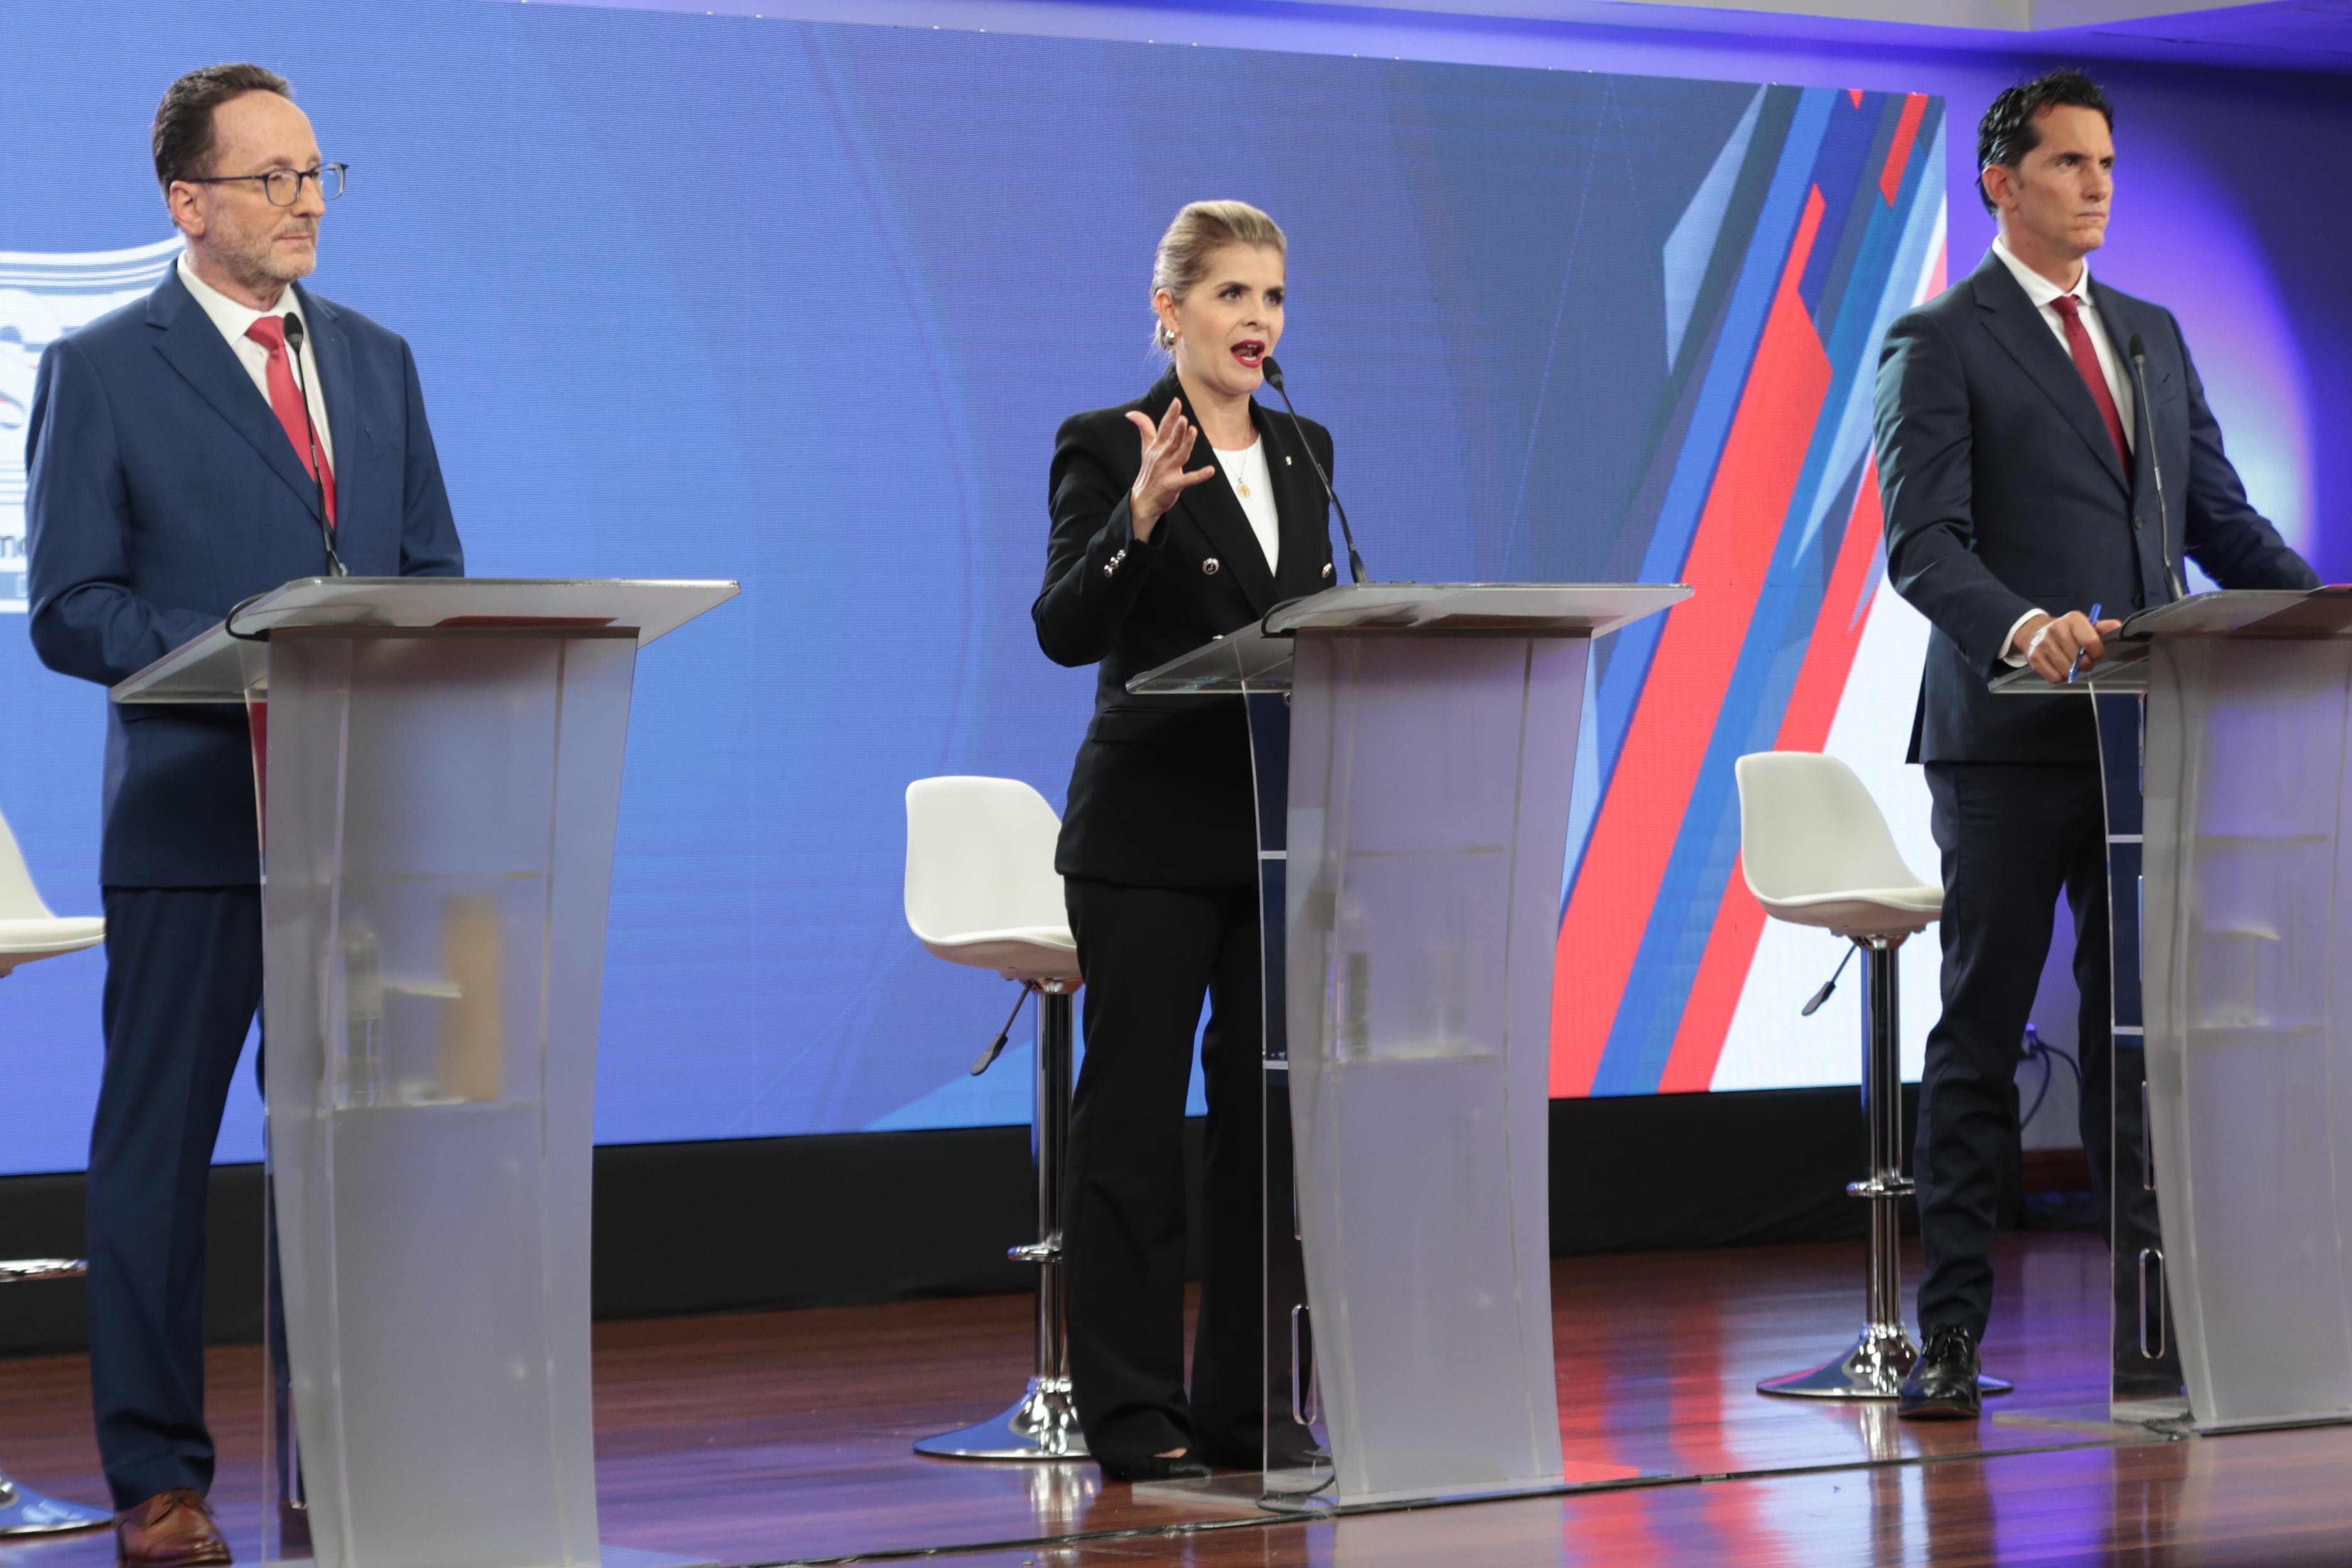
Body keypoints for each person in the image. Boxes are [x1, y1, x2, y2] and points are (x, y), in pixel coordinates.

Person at [24, 63, 462, 1563]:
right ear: (188, 201)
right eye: (273, 178)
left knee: (357, 1163)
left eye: (319, 172)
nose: (308, 202)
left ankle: (349, 1456)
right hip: (198, 826)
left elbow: (429, 576)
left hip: (360, 826)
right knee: (157, 1160)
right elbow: (71, 610)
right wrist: (243, 640)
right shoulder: (104, 365)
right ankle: (157, 1479)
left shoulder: (380, 359)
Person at [1873, 68, 2316, 1420]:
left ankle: (2160, 1327)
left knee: (2143, 1041)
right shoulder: (1938, 339)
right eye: (2071, 163)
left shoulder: (2152, 334)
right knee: (1982, 1034)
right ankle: (1948, 1333)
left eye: (2109, 164)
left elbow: (2221, 528)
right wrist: (2023, 629)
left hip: (2149, 743)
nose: (2099, 185)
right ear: (2000, 180)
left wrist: (2321, 612)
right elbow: (1921, 546)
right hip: (2009, 744)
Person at [1034, 201, 1336, 1481]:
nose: (1256, 321)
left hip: (1273, 832)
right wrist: (1139, 518)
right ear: (1170, 311)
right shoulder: (1109, 444)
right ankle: (1132, 1412)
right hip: (1152, 832)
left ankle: (1250, 1406)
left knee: (1264, 1128)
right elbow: (1063, 626)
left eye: (1270, 297)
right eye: (1230, 296)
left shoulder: (1308, 448)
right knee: (1138, 1128)